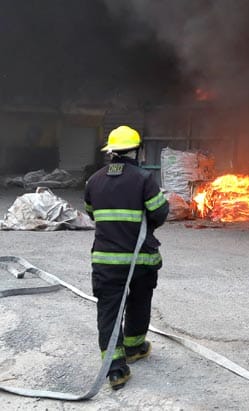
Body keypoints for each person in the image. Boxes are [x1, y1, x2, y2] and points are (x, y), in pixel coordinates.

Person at [84, 125, 169, 390]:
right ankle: (134, 347)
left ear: (111, 152)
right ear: (137, 151)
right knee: (139, 300)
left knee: (109, 309)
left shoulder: (93, 180)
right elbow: (160, 213)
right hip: (140, 259)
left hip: (105, 261)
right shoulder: (144, 179)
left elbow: (91, 212)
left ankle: (115, 369)